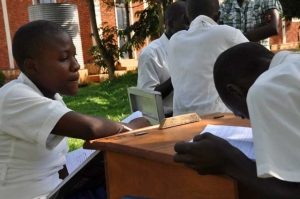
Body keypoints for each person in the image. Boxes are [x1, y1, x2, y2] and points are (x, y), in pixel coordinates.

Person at [0, 20, 151, 199]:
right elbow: (91, 128)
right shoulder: (14, 96)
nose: (76, 65)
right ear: (32, 66)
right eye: (64, 58)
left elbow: (58, 163)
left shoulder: (50, 97)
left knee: (139, 184)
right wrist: (130, 127)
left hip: (59, 191)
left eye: (74, 56)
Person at [174, 42, 300, 198]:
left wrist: (227, 159)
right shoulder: (293, 64)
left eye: (240, 114)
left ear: (235, 91)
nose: (246, 119)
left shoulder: (264, 89)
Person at [168, 0, 248, 116]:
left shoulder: (174, 41)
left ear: (186, 19)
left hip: (180, 119)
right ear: (218, 15)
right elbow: (257, 59)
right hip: (217, 117)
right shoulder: (229, 34)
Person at [137, 1, 189, 117]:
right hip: (167, 118)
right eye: (186, 23)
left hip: (195, 113)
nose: (190, 28)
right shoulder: (150, 54)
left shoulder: (192, 47)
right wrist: (179, 74)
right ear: (170, 24)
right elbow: (148, 98)